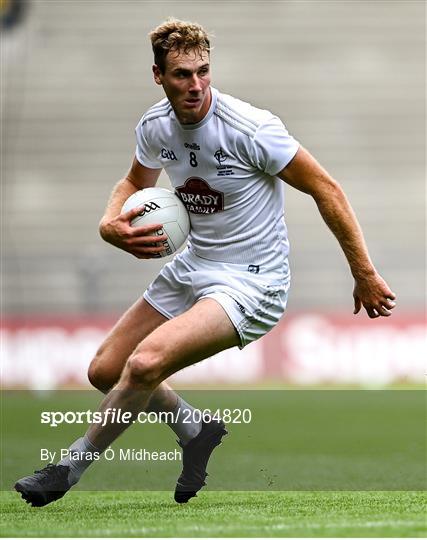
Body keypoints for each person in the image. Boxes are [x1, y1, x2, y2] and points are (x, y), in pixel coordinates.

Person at [15, 18, 396, 507]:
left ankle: (66, 469)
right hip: (195, 264)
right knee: (106, 369)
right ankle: (196, 431)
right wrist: (109, 222)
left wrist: (363, 271)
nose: (195, 85)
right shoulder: (155, 125)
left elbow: (326, 187)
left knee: (146, 362)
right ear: (158, 75)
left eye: (203, 72)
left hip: (252, 283)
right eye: (181, 75)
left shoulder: (252, 128)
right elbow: (134, 182)